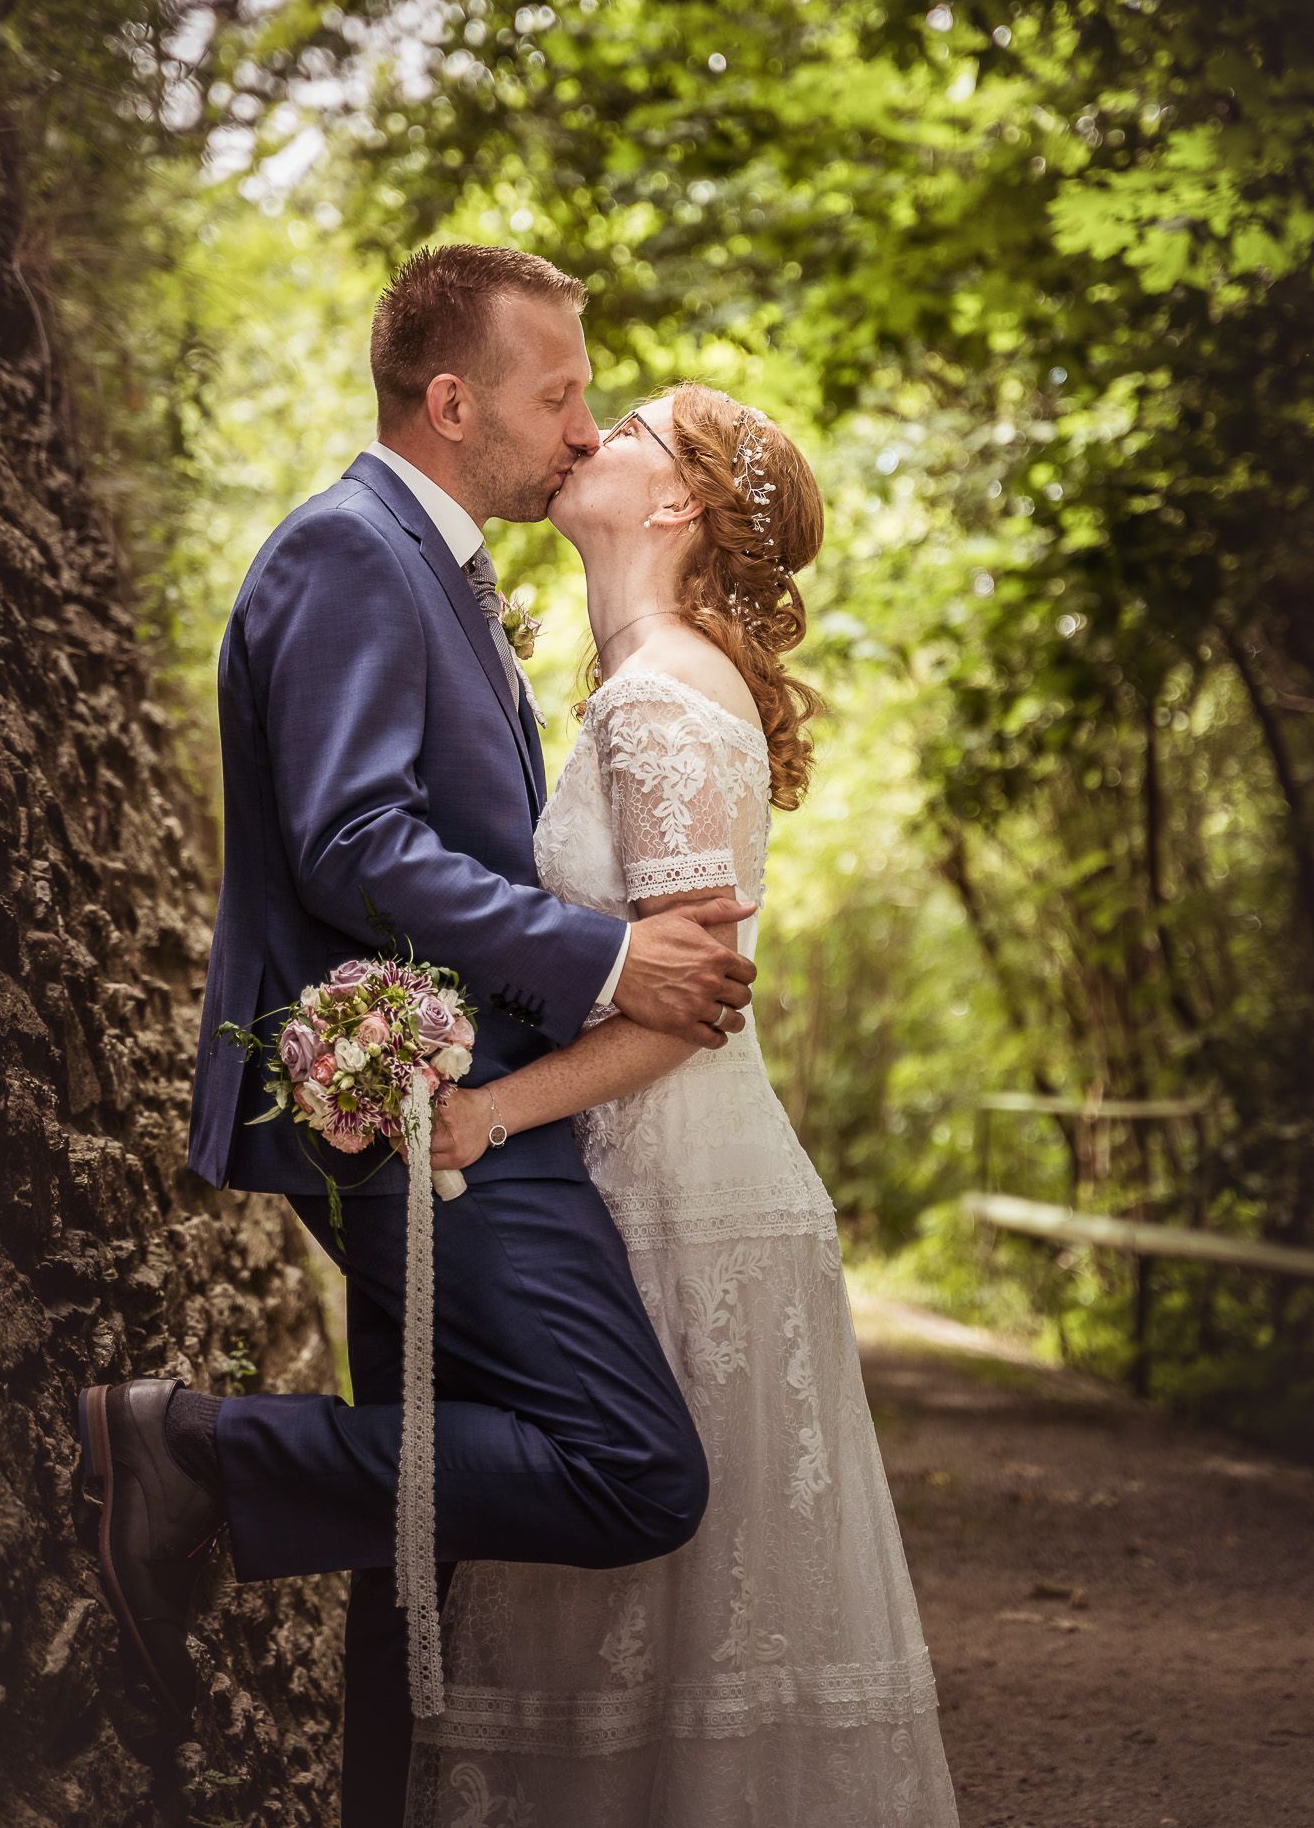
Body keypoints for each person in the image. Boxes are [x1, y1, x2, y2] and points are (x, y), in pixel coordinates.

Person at [73, 246, 761, 1827]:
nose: (584, 429)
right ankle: (192, 1448)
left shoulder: (429, 563)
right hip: (410, 1104)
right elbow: (354, 842)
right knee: (632, 1469)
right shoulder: (349, 552)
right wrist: (606, 961)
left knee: (416, 1549)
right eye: (559, 394)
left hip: (446, 1093)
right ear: (453, 403)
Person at [393, 382, 962, 1825]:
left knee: (659, 1599)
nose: (587, 437)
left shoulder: (657, 692)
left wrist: (494, 1115)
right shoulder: (652, 673)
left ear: (679, 505)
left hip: (675, 1195)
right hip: (661, 1174)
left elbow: (690, 1009)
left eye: (625, 425)